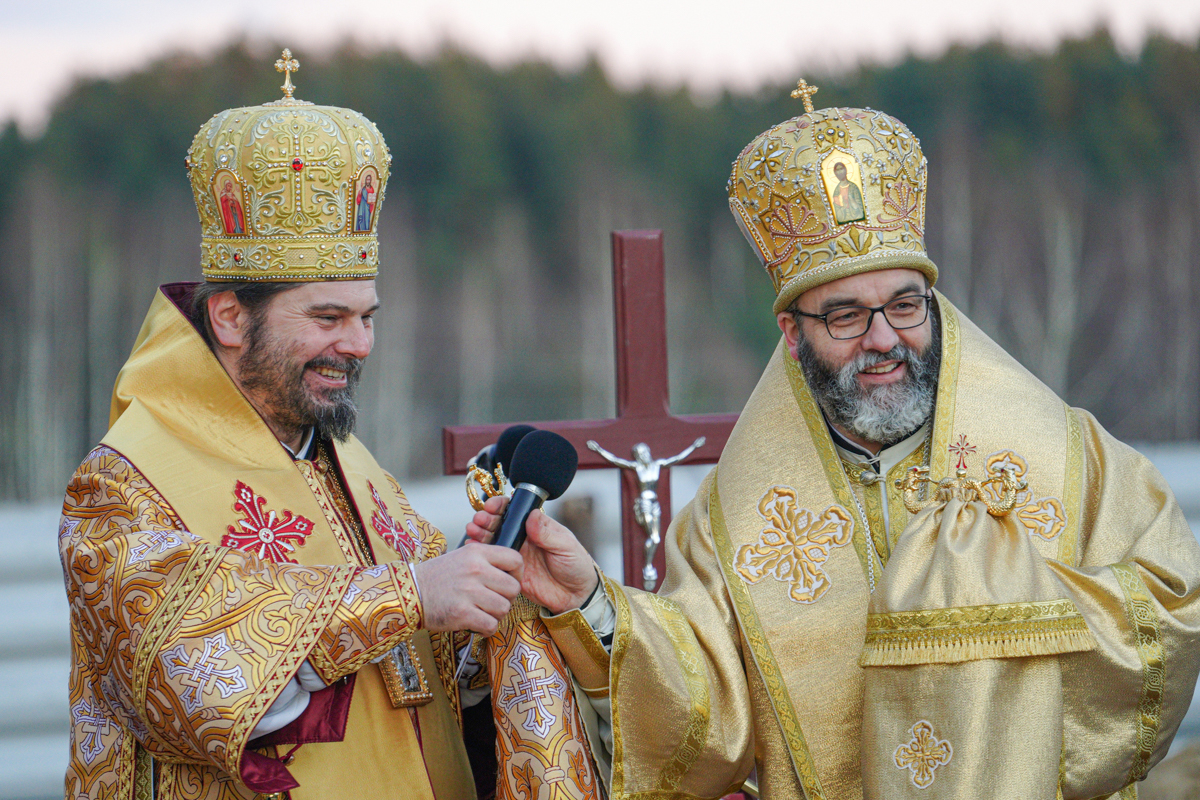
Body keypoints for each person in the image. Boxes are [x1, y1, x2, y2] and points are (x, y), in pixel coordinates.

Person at [469, 94, 1200, 799]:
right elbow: (701, 713)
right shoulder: (732, 520)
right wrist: (589, 601)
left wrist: (1001, 591)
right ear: (793, 336)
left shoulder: (1071, 458)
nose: (884, 339)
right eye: (846, 316)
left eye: (906, 305)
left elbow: (1171, 611)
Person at [61, 55, 525, 799]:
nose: (360, 345)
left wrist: (478, 601)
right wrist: (409, 595)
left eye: (367, 317)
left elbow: (417, 684)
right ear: (229, 316)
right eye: (327, 318)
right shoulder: (124, 484)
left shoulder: (355, 469)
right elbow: (190, 677)